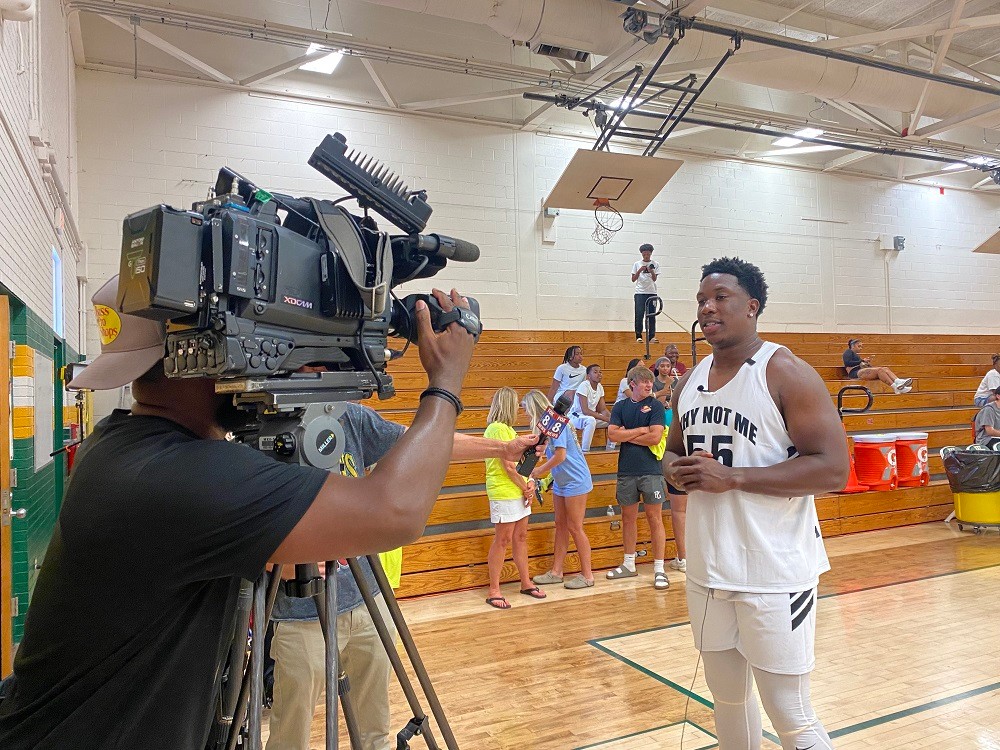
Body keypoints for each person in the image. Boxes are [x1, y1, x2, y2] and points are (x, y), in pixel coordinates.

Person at [0, 277, 536, 750]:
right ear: (207, 353)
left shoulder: (124, 448)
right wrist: (445, 384)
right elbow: (396, 512)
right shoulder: (173, 475)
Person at [663, 256, 849, 750]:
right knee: (726, 699)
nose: (707, 307)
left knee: (790, 713)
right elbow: (673, 453)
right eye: (701, 299)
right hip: (707, 567)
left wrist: (733, 478)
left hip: (774, 572)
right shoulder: (689, 379)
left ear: (753, 305)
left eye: (720, 297)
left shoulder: (785, 371)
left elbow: (833, 469)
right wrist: (674, 471)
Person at [524, 390, 595, 590]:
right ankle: (556, 571)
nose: (527, 416)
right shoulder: (547, 426)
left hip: (575, 479)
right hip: (562, 480)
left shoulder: (559, 424)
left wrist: (539, 471)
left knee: (575, 526)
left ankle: (587, 575)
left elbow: (560, 456)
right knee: (560, 524)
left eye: (527, 411)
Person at [606, 365, 669, 590]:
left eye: (650, 382)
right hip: (626, 470)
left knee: (655, 519)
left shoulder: (656, 406)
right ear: (632, 383)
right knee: (627, 518)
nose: (649, 385)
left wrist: (627, 435)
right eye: (644, 381)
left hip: (651, 470)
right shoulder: (621, 406)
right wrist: (639, 431)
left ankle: (659, 568)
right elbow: (612, 434)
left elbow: (654, 438)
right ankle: (629, 564)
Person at [483, 387, 542, 609]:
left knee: (520, 537)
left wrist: (528, 484)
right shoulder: (497, 429)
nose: (518, 408)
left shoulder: (508, 430)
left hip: (516, 490)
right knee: (503, 539)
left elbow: (518, 465)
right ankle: (494, 589)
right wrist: (525, 486)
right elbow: (508, 467)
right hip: (503, 490)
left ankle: (525, 582)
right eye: (516, 403)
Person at [842, 338, 912, 394]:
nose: (861, 348)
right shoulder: (848, 352)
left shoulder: (856, 355)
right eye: (859, 346)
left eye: (861, 346)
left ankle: (898, 382)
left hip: (859, 370)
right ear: (853, 346)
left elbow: (859, 363)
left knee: (884, 368)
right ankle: (895, 387)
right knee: (880, 370)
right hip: (854, 373)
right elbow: (848, 363)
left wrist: (867, 364)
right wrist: (862, 361)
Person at [570, 364, 612, 451]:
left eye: (600, 372)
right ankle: (585, 451)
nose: (599, 374)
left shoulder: (600, 387)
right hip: (576, 416)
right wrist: (605, 418)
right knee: (591, 420)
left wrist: (612, 418)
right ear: (588, 376)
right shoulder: (584, 386)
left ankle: (610, 450)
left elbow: (603, 409)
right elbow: (585, 411)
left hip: (591, 417)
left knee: (615, 422)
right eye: (595, 372)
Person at [632, 243, 660, 343]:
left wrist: (651, 271)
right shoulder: (637, 264)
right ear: (642, 254)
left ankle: (651, 337)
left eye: (648, 254)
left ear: (651, 253)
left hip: (652, 292)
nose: (646, 256)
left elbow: (654, 279)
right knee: (639, 315)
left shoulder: (655, 264)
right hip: (640, 292)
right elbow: (633, 279)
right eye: (644, 254)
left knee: (651, 315)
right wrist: (640, 270)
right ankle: (638, 336)